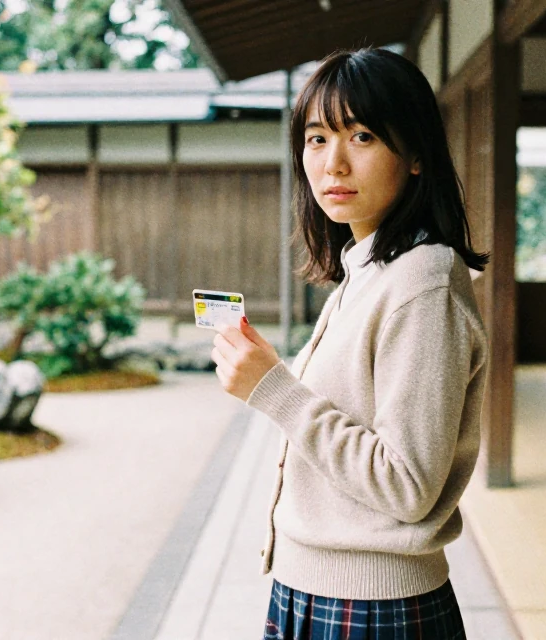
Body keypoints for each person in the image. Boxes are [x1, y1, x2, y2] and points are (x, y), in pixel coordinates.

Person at [209, 47, 489, 640]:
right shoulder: (367, 269)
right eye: (316, 139)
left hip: (372, 608)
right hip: (317, 591)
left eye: (361, 137)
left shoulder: (422, 281)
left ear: (415, 155)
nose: (333, 163)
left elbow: (406, 485)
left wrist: (274, 388)